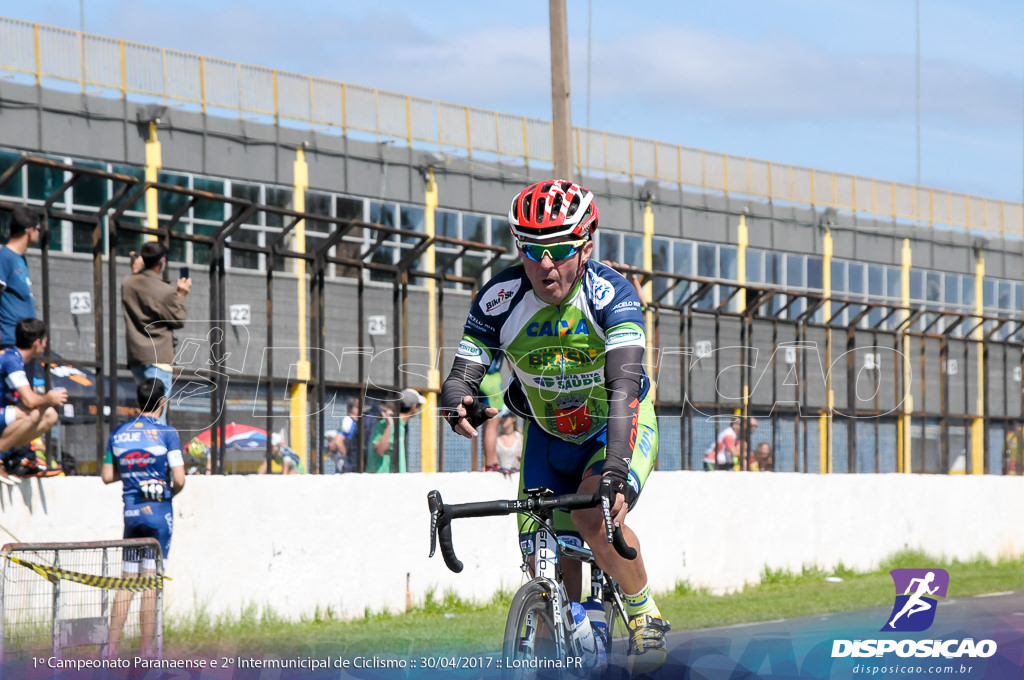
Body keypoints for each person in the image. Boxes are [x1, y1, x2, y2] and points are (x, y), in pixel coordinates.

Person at [441, 179, 669, 675]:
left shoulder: (613, 296)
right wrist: (459, 399)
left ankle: (644, 614)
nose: (546, 263)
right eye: (532, 249)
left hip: (614, 425)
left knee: (593, 520)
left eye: (561, 249)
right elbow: (463, 373)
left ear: (586, 246)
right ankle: (574, 636)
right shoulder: (499, 299)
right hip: (548, 435)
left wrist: (615, 470)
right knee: (544, 572)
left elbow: (625, 389)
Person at [101, 379, 185, 658]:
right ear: (162, 403)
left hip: (131, 513)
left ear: (137, 403)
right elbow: (180, 478)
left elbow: (106, 476)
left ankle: (110, 649)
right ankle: (146, 652)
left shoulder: (118, 433)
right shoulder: (167, 433)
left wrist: (133, 476)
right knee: (150, 580)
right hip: (158, 514)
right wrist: (165, 490)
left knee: (127, 580)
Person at [121, 241, 191, 424]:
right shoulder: (166, 291)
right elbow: (179, 319)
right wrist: (181, 296)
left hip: (136, 356)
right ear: (162, 260)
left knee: (145, 411)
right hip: (159, 357)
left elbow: (139, 290)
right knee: (157, 414)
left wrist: (136, 272)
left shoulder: (128, 283)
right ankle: (156, 450)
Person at [0, 319, 68, 481]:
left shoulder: (16, 359)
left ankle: (13, 456)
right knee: (33, 413)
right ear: (37, 342)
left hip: (5, 414)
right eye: (45, 341)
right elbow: (30, 401)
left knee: (50, 414)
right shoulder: (12, 360)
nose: (45, 345)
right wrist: (49, 397)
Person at [0, 206, 42, 349]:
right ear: (30, 231)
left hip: (24, 343)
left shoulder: (20, 258)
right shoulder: (5, 257)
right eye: (39, 229)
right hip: (9, 342)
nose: (39, 234)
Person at [367, 388, 424, 474]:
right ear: (414, 407)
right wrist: (389, 426)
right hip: (383, 482)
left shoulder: (400, 425)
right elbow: (380, 450)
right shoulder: (386, 424)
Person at [478, 355, 506, 471]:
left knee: (489, 424)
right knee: (492, 425)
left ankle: (492, 462)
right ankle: (490, 464)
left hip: (481, 376)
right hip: (490, 379)